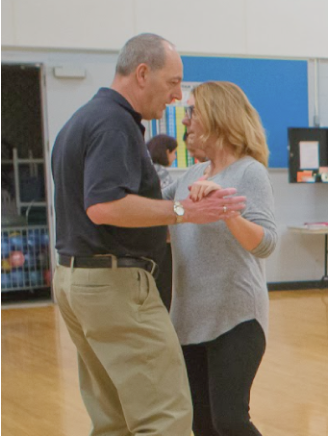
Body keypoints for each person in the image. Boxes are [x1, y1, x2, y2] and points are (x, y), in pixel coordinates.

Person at [50, 33, 245, 435]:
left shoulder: (81, 119)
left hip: (75, 282)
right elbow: (104, 205)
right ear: (143, 73)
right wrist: (182, 212)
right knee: (166, 416)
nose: (176, 97)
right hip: (115, 286)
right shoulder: (115, 123)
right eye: (173, 82)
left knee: (113, 419)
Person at [167, 81, 278, 435]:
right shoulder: (188, 176)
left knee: (229, 420)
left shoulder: (249, 172)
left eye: (192, 112)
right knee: (202, 425)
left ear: (217, 116)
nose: (186, 122)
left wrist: (227, 210)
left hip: (236, 317)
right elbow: (156, 214)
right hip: (188, 319)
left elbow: (266, 243)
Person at [148, 133, 179, 309]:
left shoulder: (145, 167)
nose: (174, 158)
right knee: (164, 289)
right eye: (174, 153)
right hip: (161, 239)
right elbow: (168, 204)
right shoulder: (160, 172)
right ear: (166, 151)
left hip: (147, 239)